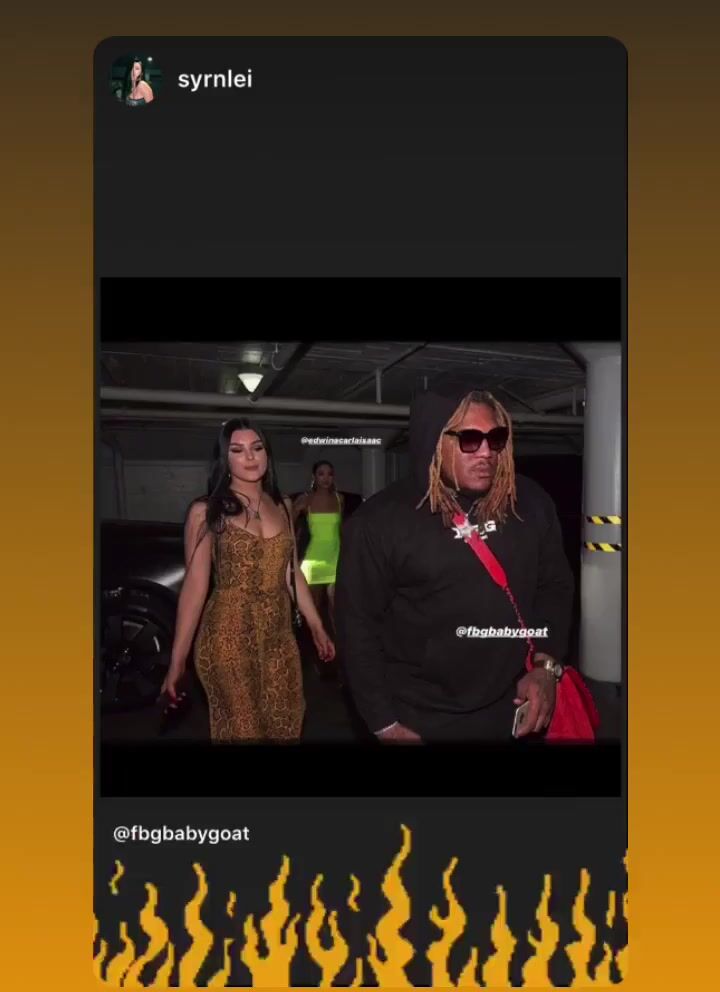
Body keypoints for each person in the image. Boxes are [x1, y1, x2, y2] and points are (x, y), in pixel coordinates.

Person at [335, 373, 574, 743]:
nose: (486, 452)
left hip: (513, 706)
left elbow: (554, 587)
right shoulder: (378, 522)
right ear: (434, 440)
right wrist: (383, 722)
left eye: (496, 438)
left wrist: (545, 665)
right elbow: (356, 627)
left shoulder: (530, 503)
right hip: (418, 717)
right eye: (470, 439)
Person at [161, 419, 335, 741]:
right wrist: (177, 661)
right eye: (237, 450)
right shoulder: (206, 511)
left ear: (267, 454)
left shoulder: (283, 505)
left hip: (278, 635)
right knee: (243, 730)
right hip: (226, 634)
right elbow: (195, 587)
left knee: (285, 723)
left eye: (257, 448)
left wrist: (316, 625)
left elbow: (290, 571)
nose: (250, 457)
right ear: (224, 459)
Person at [292, 461, 344, 632]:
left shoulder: (339, 499)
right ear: (314, 476)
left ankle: (338, 644)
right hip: (312, 560)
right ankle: (316, 643)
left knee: (337, 609)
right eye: (321, 474)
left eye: (330, 474)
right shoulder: (305, 499)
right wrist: (294, 554)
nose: (326, 478)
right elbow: (288, 525)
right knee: (313, 611)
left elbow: (341, 530)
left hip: (335, 558)